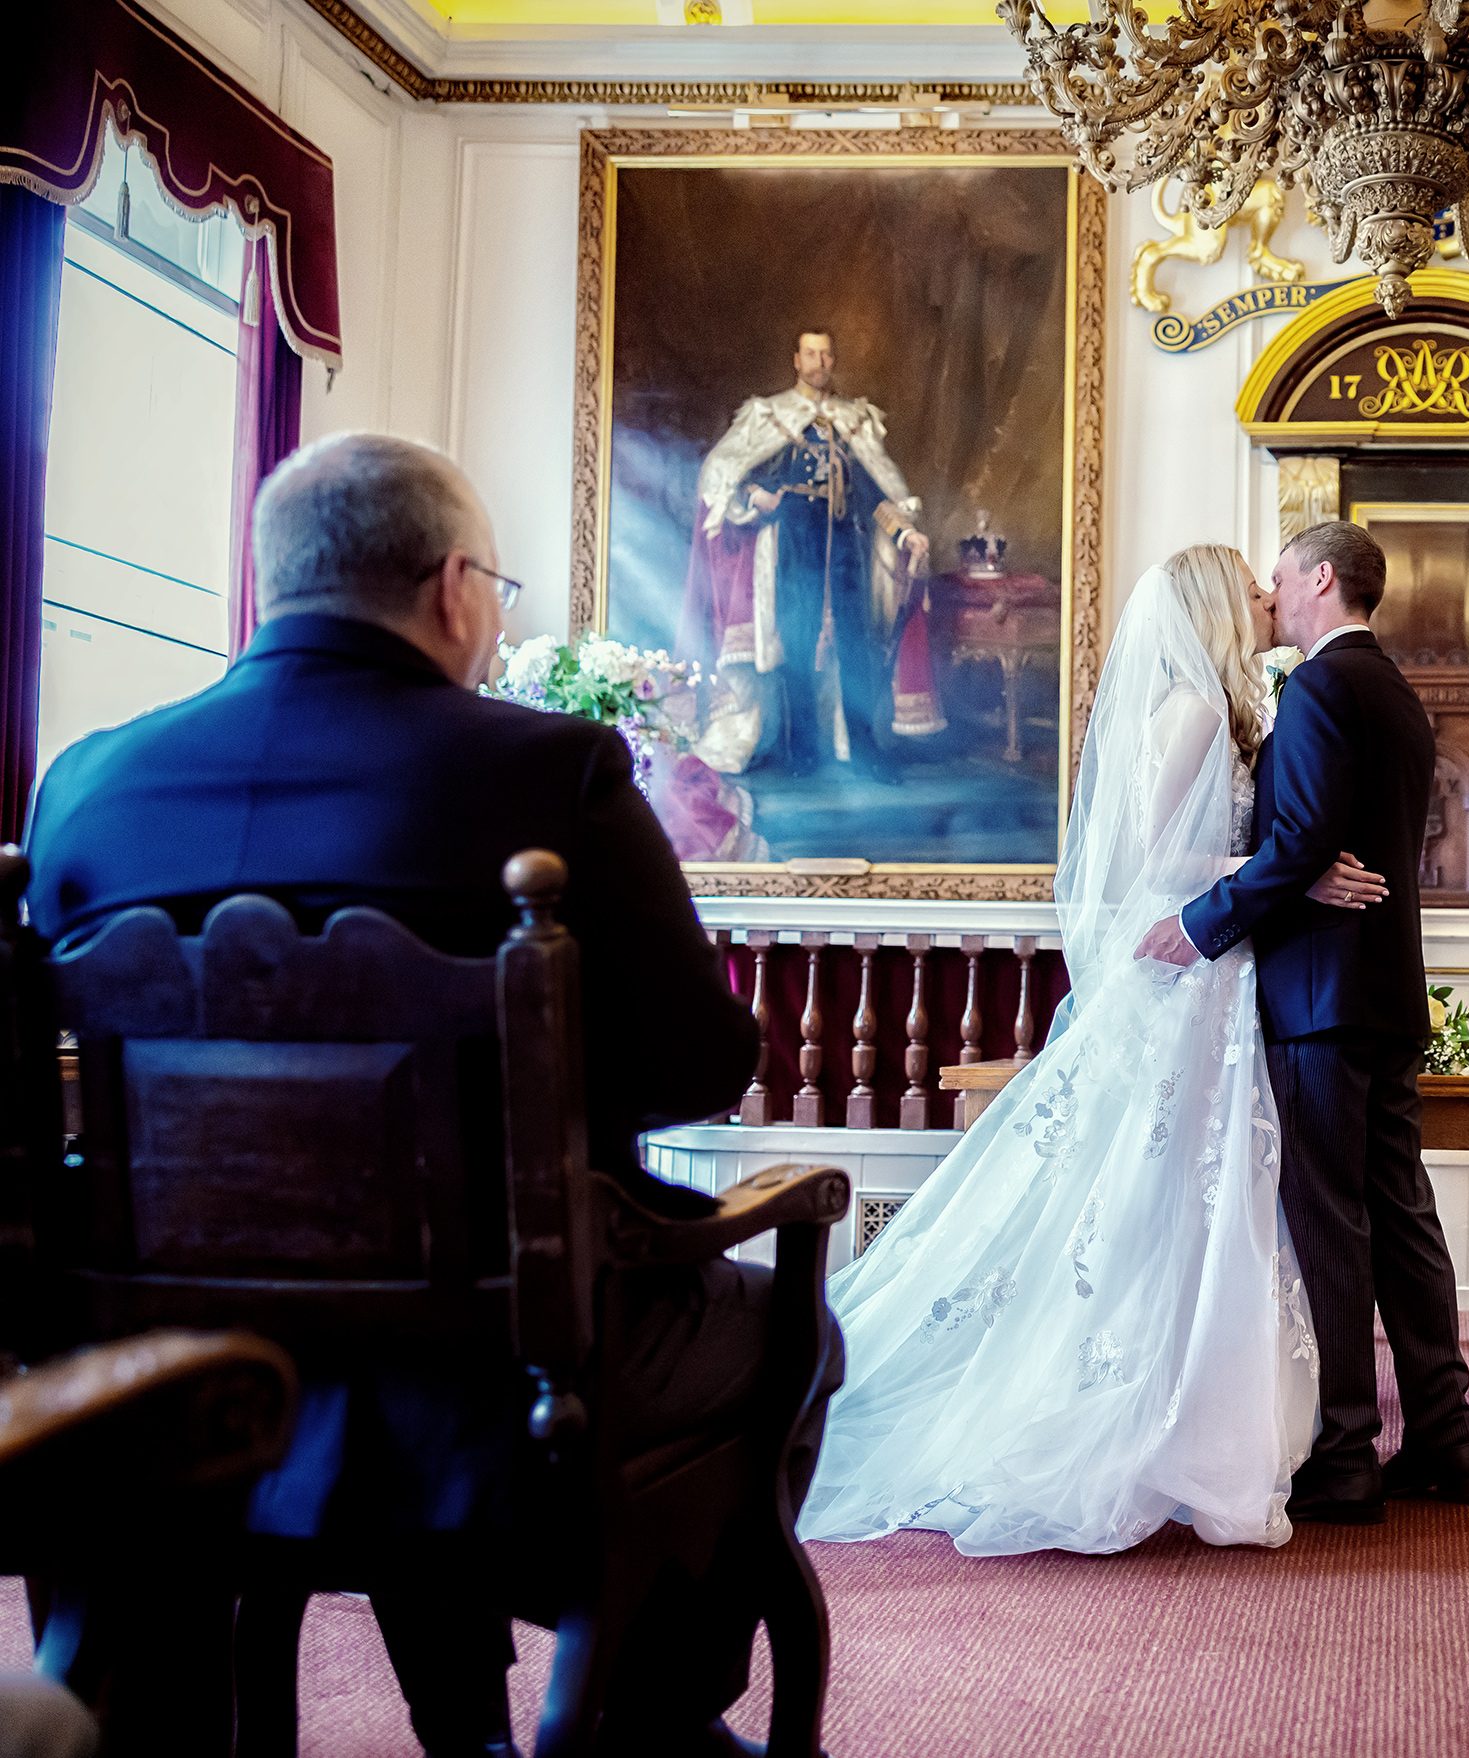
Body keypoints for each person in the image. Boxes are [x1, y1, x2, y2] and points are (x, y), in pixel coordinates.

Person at [24, 432, 795, 1758]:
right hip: (504, 1371)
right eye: (496, 584)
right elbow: (696, 1064)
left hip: (166, 1378)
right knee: (789, 1328)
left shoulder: (87, 782)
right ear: (453, 586)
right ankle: (653, 1714)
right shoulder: (549, 772)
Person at [800, 545, 1382, 1555]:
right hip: (1187, 969)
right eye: (1247, 585)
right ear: (1210, 605)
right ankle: (1137, 1413)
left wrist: (1277, 874)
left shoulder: (1214, 706)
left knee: (1186, 1193)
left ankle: (1191, 1405)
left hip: (1209, 969)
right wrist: (1290, 871)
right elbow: (1154, 859)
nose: (1262, 596)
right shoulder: (1194, 712)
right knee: (1155, 1192)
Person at [1142, 519, 1469, 1524]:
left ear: (1320, 579)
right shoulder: (1395, 692)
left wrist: (1199, 925)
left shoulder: (1322, 688)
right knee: (1406, 1223)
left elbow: (1295, 846)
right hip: (1380, 994)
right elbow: (1321, 847)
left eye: (1281, 579)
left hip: (1318, 1004)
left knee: (1332, 1227)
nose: (1271, 596)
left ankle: (1343, 1454)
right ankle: (1447, 1436)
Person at [676, 328, 939, 780]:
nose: (819, 362)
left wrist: (904, 534)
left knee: (856, 649)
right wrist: (757, 495)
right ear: (796, 360)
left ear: (834, 361)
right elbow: (727, 471)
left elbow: (873, 492)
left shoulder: (852, 420)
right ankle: (801, 754)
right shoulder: (770, 416)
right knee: (794, 645)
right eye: (810, 354)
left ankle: (864, 752)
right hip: (790, 543)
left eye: (826, 354)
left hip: (846, 545)